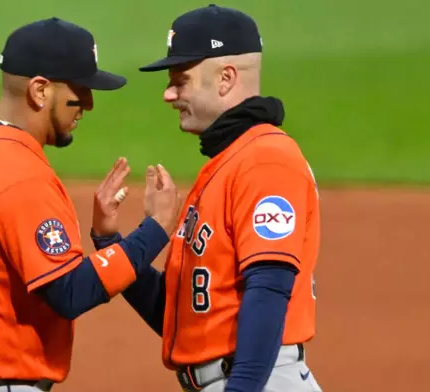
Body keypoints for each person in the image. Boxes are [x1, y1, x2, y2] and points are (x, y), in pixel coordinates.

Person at [0, 17, 180, 392]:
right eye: (80, 90)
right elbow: (71, 293)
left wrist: (105, 236)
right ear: (40, 90)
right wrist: (154, 230)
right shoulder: (22, 174)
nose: (89, 105)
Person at [95, 5, 324, 392]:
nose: (168, 94)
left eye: (180, 80)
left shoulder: (265, 159)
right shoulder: (228, 162)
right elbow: (183, 316)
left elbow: (269, 288)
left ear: (225, 78)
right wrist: (111, 243)